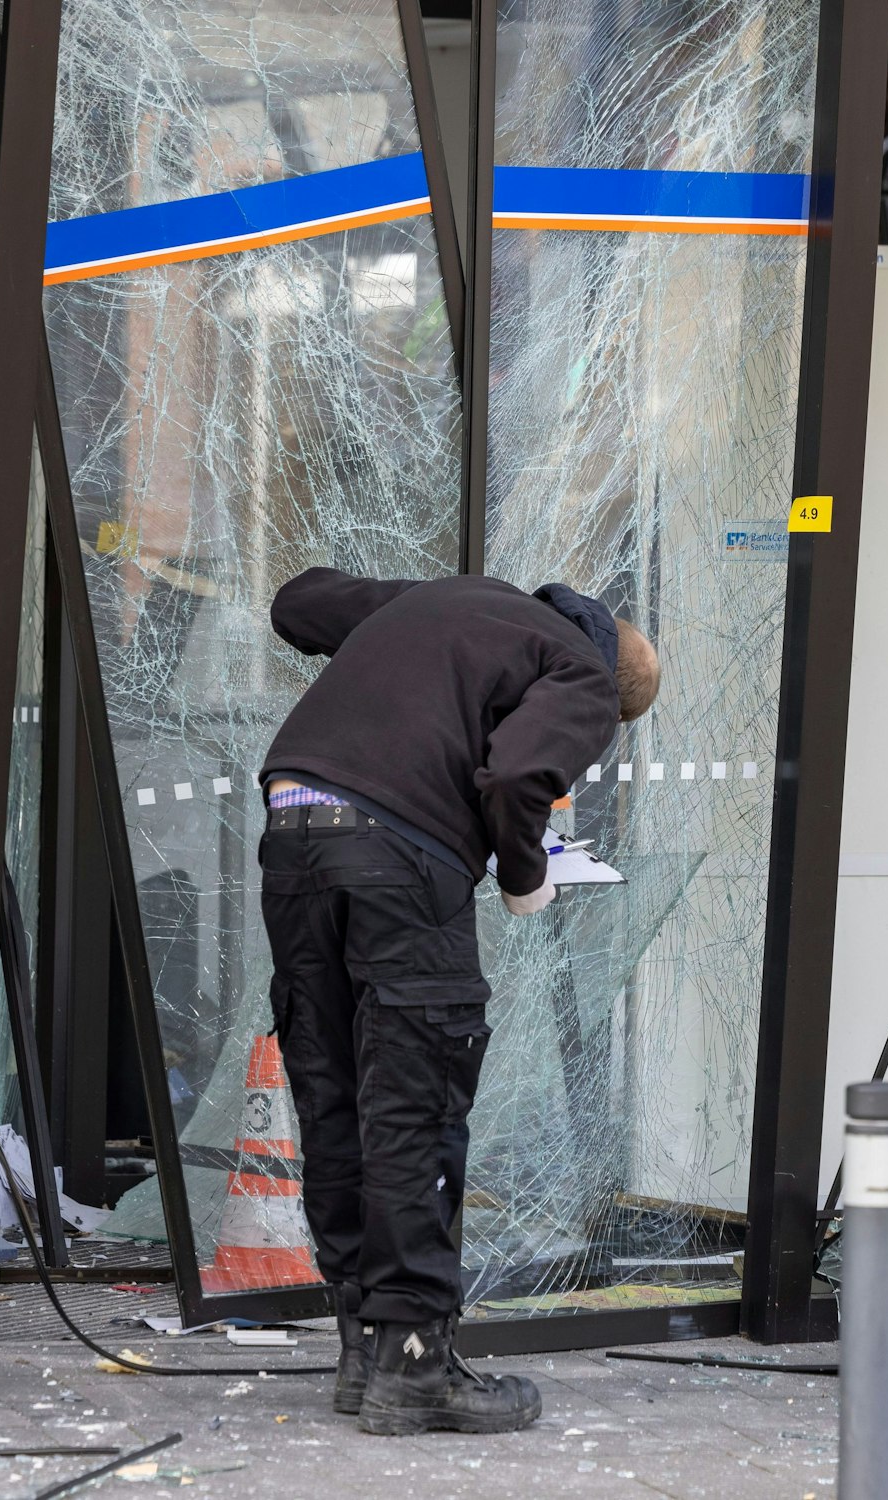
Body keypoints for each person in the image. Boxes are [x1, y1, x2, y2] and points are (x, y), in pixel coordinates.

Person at [257, 568, 659, 1435]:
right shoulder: (585, 674)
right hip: (395, 849)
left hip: (290, 821)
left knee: (334, 1096)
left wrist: (403, 625)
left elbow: (298, 604)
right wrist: (526, 874)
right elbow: (518, 776)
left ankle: (363, 1349)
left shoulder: (463, 601)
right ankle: (415, 1368)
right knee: (415, 1096)